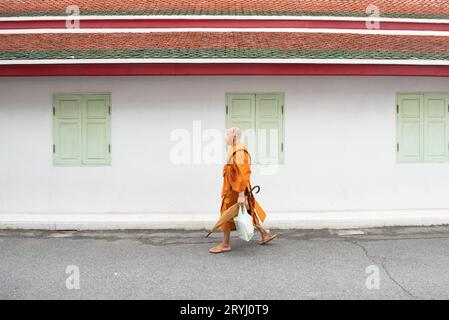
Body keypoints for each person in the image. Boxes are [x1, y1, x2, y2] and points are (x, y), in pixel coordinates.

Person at [209, 126, 278, 254]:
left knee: (226, 214)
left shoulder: (239, 151)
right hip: (234, 190)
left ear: (234, 136)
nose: (225, 137)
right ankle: (265, 233)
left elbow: (243, 173)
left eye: (227, 134)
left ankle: (225, 244)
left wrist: (241, 194)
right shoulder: (234, 150)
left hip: (235, 191)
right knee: (247, 212)